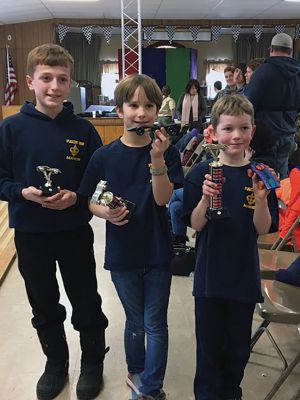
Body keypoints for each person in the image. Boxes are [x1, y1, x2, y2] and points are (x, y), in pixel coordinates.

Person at [0, 44, 108, 400]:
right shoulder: (11, 128)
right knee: (43, 301)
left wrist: (77, 197)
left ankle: (92, 362)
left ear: (70, 84)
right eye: (46, 78)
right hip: (31, 234)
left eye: (62, 79)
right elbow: (1, 180)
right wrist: (22, 193)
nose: (54, 86)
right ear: (30, 81)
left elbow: (98, 180)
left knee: (86, 298)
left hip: (74, 231)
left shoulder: (84, 130)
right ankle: (56, 362)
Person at [78, 74, 184, 400]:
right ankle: (136, 370)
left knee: (155, 323)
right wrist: (104, 211)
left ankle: (150, 388)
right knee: (135, 322)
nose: (141, 113)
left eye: (148, 105)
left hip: (157, 250)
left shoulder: (167, 152)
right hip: (122, 253)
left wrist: (156, 159)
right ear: (120, 108)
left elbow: (164, 199)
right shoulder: (104, 157)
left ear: (158, 110)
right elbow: (92, 197)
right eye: (133, 105)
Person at [182, 95, 278, 400]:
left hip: (244, 276)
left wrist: (262, 201)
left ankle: (231, 393)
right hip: (210, 277)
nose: (236, 135)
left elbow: (263, 229)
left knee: (237, 349)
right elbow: (196, 225)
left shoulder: (261, 174)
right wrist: (204, 200)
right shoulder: (201, 173)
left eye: (243, 127)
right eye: (228, 129)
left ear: (252, 130)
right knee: (208, 347)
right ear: (213, 132)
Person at [244, 32, 300, 179]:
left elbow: (247, 104)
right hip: (288, 133)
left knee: (260, 176)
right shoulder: (298, 73)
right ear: (291, 51)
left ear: (270, 49)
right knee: (281, 176)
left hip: (264, 135)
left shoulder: (263, 72)